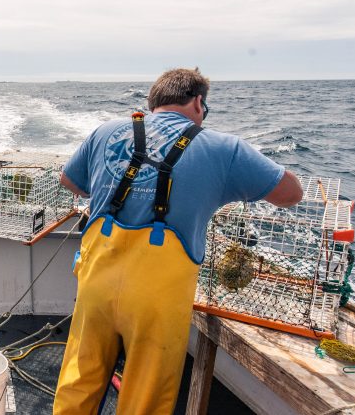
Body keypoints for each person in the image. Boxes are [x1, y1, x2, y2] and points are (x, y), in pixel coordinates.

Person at [54, 68, 303, 414]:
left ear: (152, 103)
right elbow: (291, 194)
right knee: (146, 398)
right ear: (199, 103)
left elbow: (70, 179)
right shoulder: (224, 149)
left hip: (95, 283)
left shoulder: (106, 131)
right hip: (157, 300)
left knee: (78, 381)